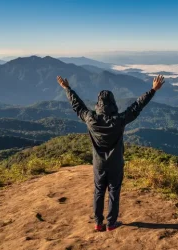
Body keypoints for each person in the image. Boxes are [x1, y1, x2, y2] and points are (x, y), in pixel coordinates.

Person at [56, 74, 165, 231]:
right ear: (113, 103)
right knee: (114, 191)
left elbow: (77, 106)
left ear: (98, 104)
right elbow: (136, 107)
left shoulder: (90, 119)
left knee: (99, 191)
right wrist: (153, 90)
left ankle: (98, 223)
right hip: (115, 163)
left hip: (99, 164)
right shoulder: (119, 120)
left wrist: (67, 89)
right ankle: (111, 223)